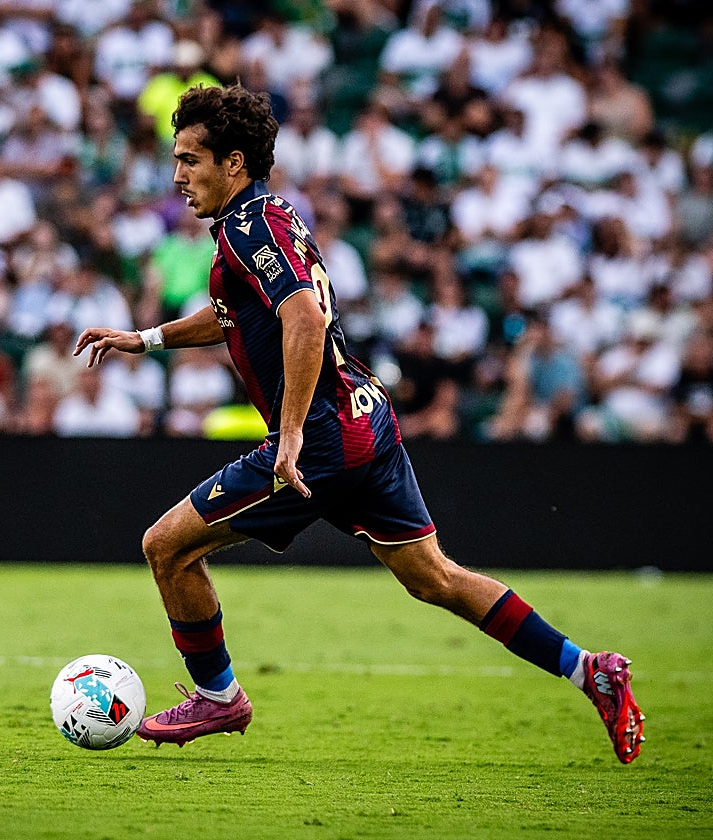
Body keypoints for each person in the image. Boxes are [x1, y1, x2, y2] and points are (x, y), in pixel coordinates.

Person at [74, 84, 644, 764]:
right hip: (364, 417)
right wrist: (146, 339)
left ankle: (218, 697)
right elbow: (236, 315)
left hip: (320, 440)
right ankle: (589, 669)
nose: (177, 176)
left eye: (190, 160)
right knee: (434, 578)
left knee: (166, 547)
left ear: (234, 163)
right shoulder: (270, 215)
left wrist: (290, 433)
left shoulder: (251, 229)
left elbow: (303, 318)